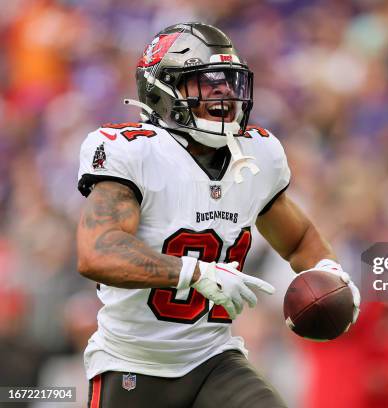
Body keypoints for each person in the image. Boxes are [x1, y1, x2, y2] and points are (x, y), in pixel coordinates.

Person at [76, 22, 360, 408]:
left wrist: (329, 271)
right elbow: (98, 253)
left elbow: (298, 241)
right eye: (206, 82)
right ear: (164, 90)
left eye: (229, 81)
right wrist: (195, 273)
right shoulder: (134, 153)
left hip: (213, 360)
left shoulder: (256, 155)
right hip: (133, 364)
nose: (223, 92)